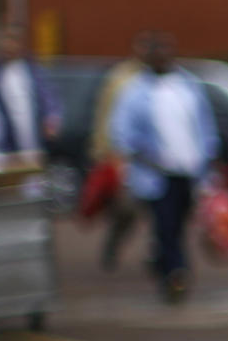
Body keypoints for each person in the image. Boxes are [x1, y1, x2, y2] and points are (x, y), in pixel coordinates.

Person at [108, 41, 218, 303]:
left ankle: (163, 263)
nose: (162, 58)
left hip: (189, 171)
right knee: (165, 224)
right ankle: (177, 274)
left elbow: (205, 126)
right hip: (156, 174)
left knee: (179, 224)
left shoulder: (188, 86)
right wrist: (142, 157)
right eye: (155, 54)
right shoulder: (135, 92)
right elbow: (122, 133)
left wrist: (210, 163)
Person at [89, 34, 157, 272]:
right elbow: (105, 116)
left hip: (155, 159)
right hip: (125, 157)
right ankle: (113, 245)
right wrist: (104, 152)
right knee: (126, 209)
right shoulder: (121, 77)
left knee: (159, 210)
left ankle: (157, 252)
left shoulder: (161, 78)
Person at [0, 21, 61, 157]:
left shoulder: (34, 71)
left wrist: (51, 117)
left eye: (14, 40)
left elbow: (48, 97)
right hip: (5, 145)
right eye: (5, 39)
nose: (9, 44)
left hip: (33, 141)